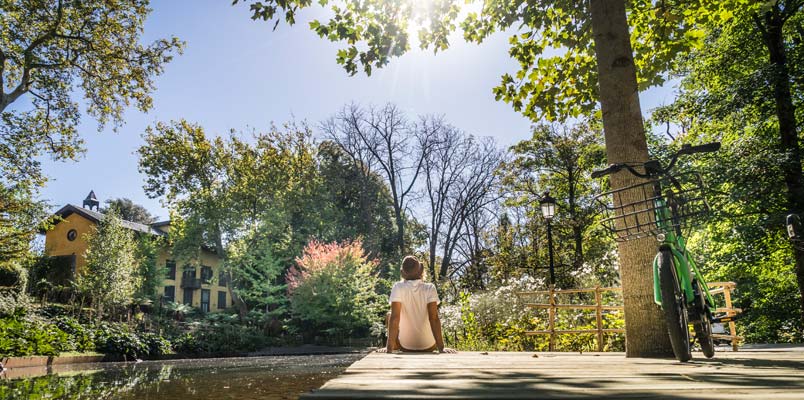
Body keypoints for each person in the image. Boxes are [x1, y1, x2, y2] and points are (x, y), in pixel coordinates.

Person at [380, 256, 456, 354]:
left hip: (405, 346)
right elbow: (434, 318)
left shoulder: (398, 287)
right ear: (421, 271)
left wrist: (388, 349)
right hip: (429, 346)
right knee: (433, 314)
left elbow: (395, 318)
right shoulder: (430, 288)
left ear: (402, 273)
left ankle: (393, 346)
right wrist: (441, 348)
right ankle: (437, 345)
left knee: (390, 315)